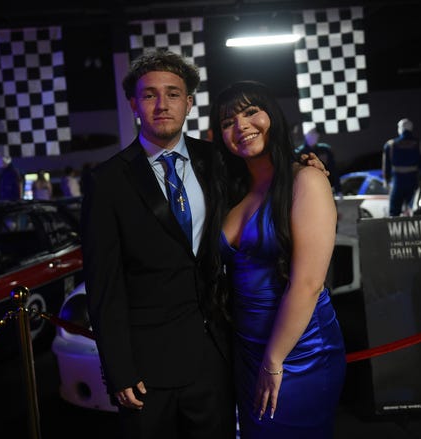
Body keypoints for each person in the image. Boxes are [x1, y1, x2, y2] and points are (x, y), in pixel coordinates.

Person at [80, 49, 327, 439]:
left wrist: (307, 167)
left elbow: (268, 178)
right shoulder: (107, 181)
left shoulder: (218, 159)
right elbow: (103, 283)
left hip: (218, 357)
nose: (162, 104)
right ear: (133, 103)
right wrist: (118, 367)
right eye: (149, 95)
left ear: (189, 103)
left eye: (174, 93)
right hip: (147, 368)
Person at [208, 80, 346, 438]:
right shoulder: (233, 188)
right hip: (247, 346)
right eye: (227, 122)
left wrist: (273, 361)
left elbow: (308, 282)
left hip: (299, 350)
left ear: (274, 116)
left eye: (251, 111)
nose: (240, 126)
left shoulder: (307, 180)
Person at [382, 118, 421, 216]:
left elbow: (386, 166)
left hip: (397, 183)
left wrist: (386, 180)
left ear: (400, 129)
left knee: (394, 212)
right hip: (413, 182)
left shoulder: (390, 145)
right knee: (415, 210)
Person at [293, 124, 341, 195]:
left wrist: (338, 190)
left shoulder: (325, 150)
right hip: (306, 191)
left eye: (316, 133)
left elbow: (333, 170)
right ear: (306, 135)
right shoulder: (299, 152)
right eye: (312, 133)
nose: (315, 135)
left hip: (327, 189)